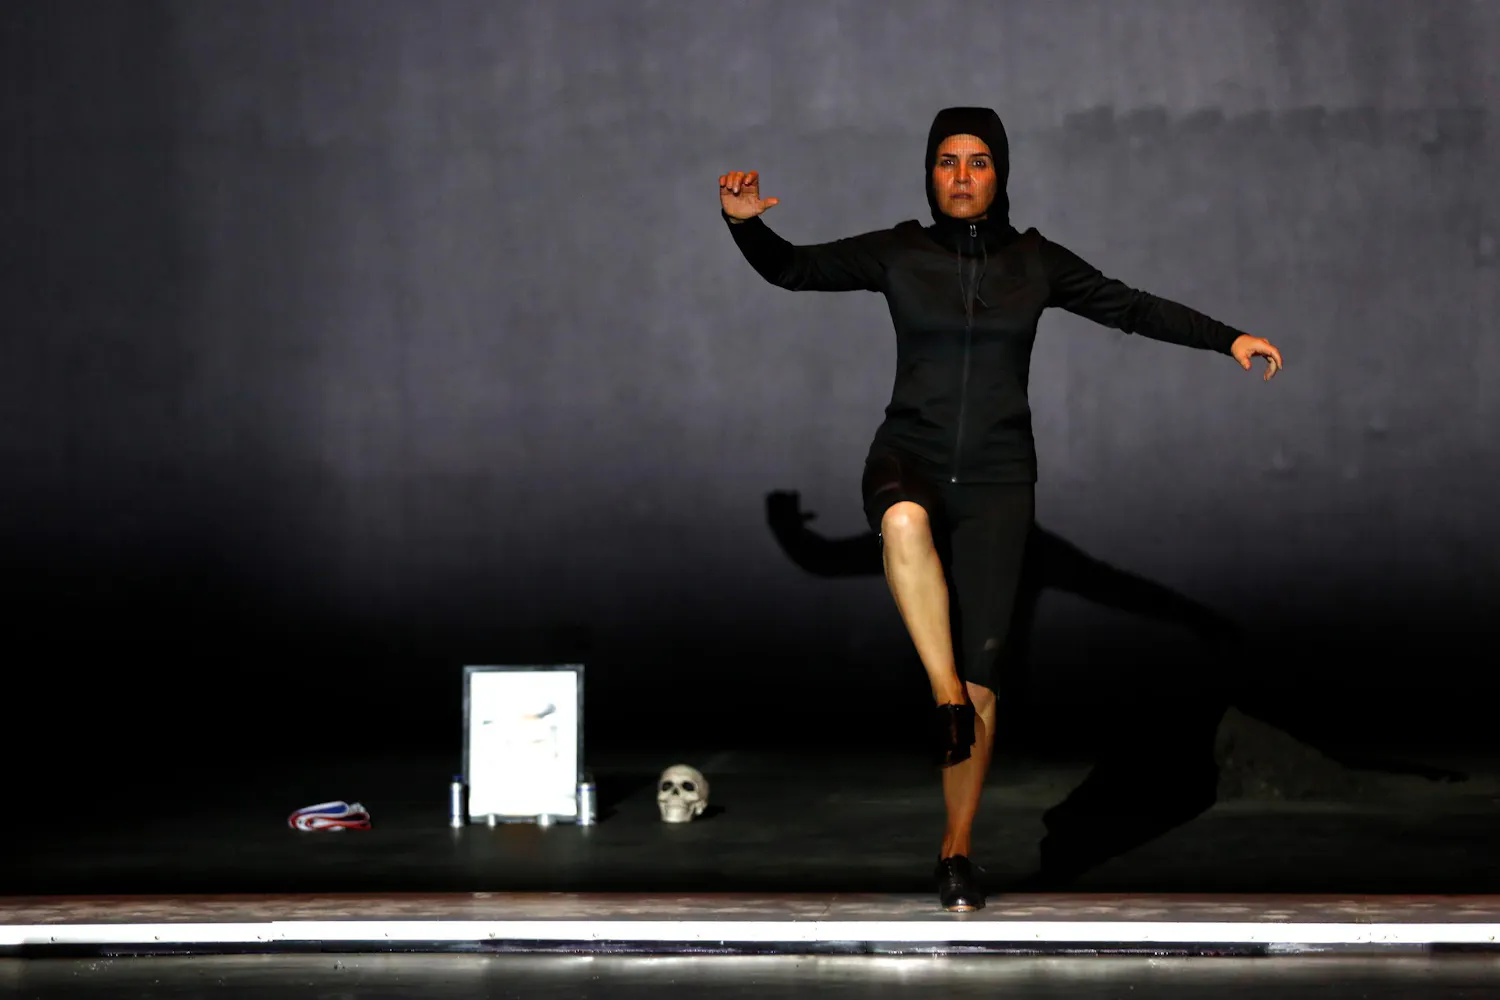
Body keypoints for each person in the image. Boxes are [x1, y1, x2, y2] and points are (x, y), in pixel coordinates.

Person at [718, 106, 1283, 912]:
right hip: (906, 455)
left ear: (1000, 173)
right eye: (947, 160)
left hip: (998, 477)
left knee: (987, 689)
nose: (961, 174)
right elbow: (793, 269)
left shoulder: (1037, 261)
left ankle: (955, 849)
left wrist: (1229, 339)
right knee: (904, 525)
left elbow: (1132, 306)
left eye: (978, 161)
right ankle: (943, 695)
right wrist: (745, 227)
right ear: (929, 171)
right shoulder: (897, 251)